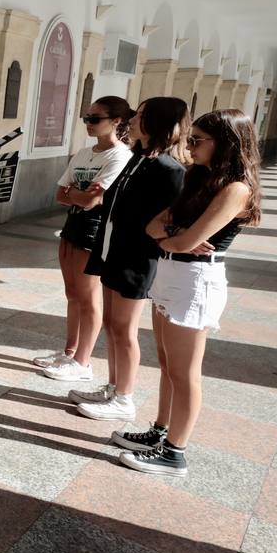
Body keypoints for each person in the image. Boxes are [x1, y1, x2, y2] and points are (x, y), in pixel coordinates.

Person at [112, 109, 262, 476]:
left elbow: (186, 240)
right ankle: (160, 432)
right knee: (166, 364)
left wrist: (175, 235)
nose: (189, 147)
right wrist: (174, 235)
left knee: (185, 371)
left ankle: (175, 451)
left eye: (197, 141)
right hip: (170, 271)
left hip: (197, 281)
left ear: (226, 143)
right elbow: (153, 228)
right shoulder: (199, 177)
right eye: (189, 138)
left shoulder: (236, 188)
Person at [69, 96, 188, 422]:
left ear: (156, 123)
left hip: (137, 257)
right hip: (112, 249)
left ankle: (125, 397)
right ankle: (112, 386)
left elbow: (170, 218)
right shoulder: (138, 158)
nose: (131, 119)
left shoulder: (168, 168)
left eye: (140, 115)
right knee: (111, 324)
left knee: (124, 328)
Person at [33, 97, 134, 382]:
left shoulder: (119, 156)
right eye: (86, 118)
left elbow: (93, 200)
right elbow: (59, 194)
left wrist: (78, 195)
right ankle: (69, 351)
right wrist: (81, 195)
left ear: (116, 121)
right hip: (73, 222)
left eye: (95, 118)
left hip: (95, 226)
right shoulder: (83, 153)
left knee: (89, 296)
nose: (89, 124)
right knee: (72, 292)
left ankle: (83, 361)